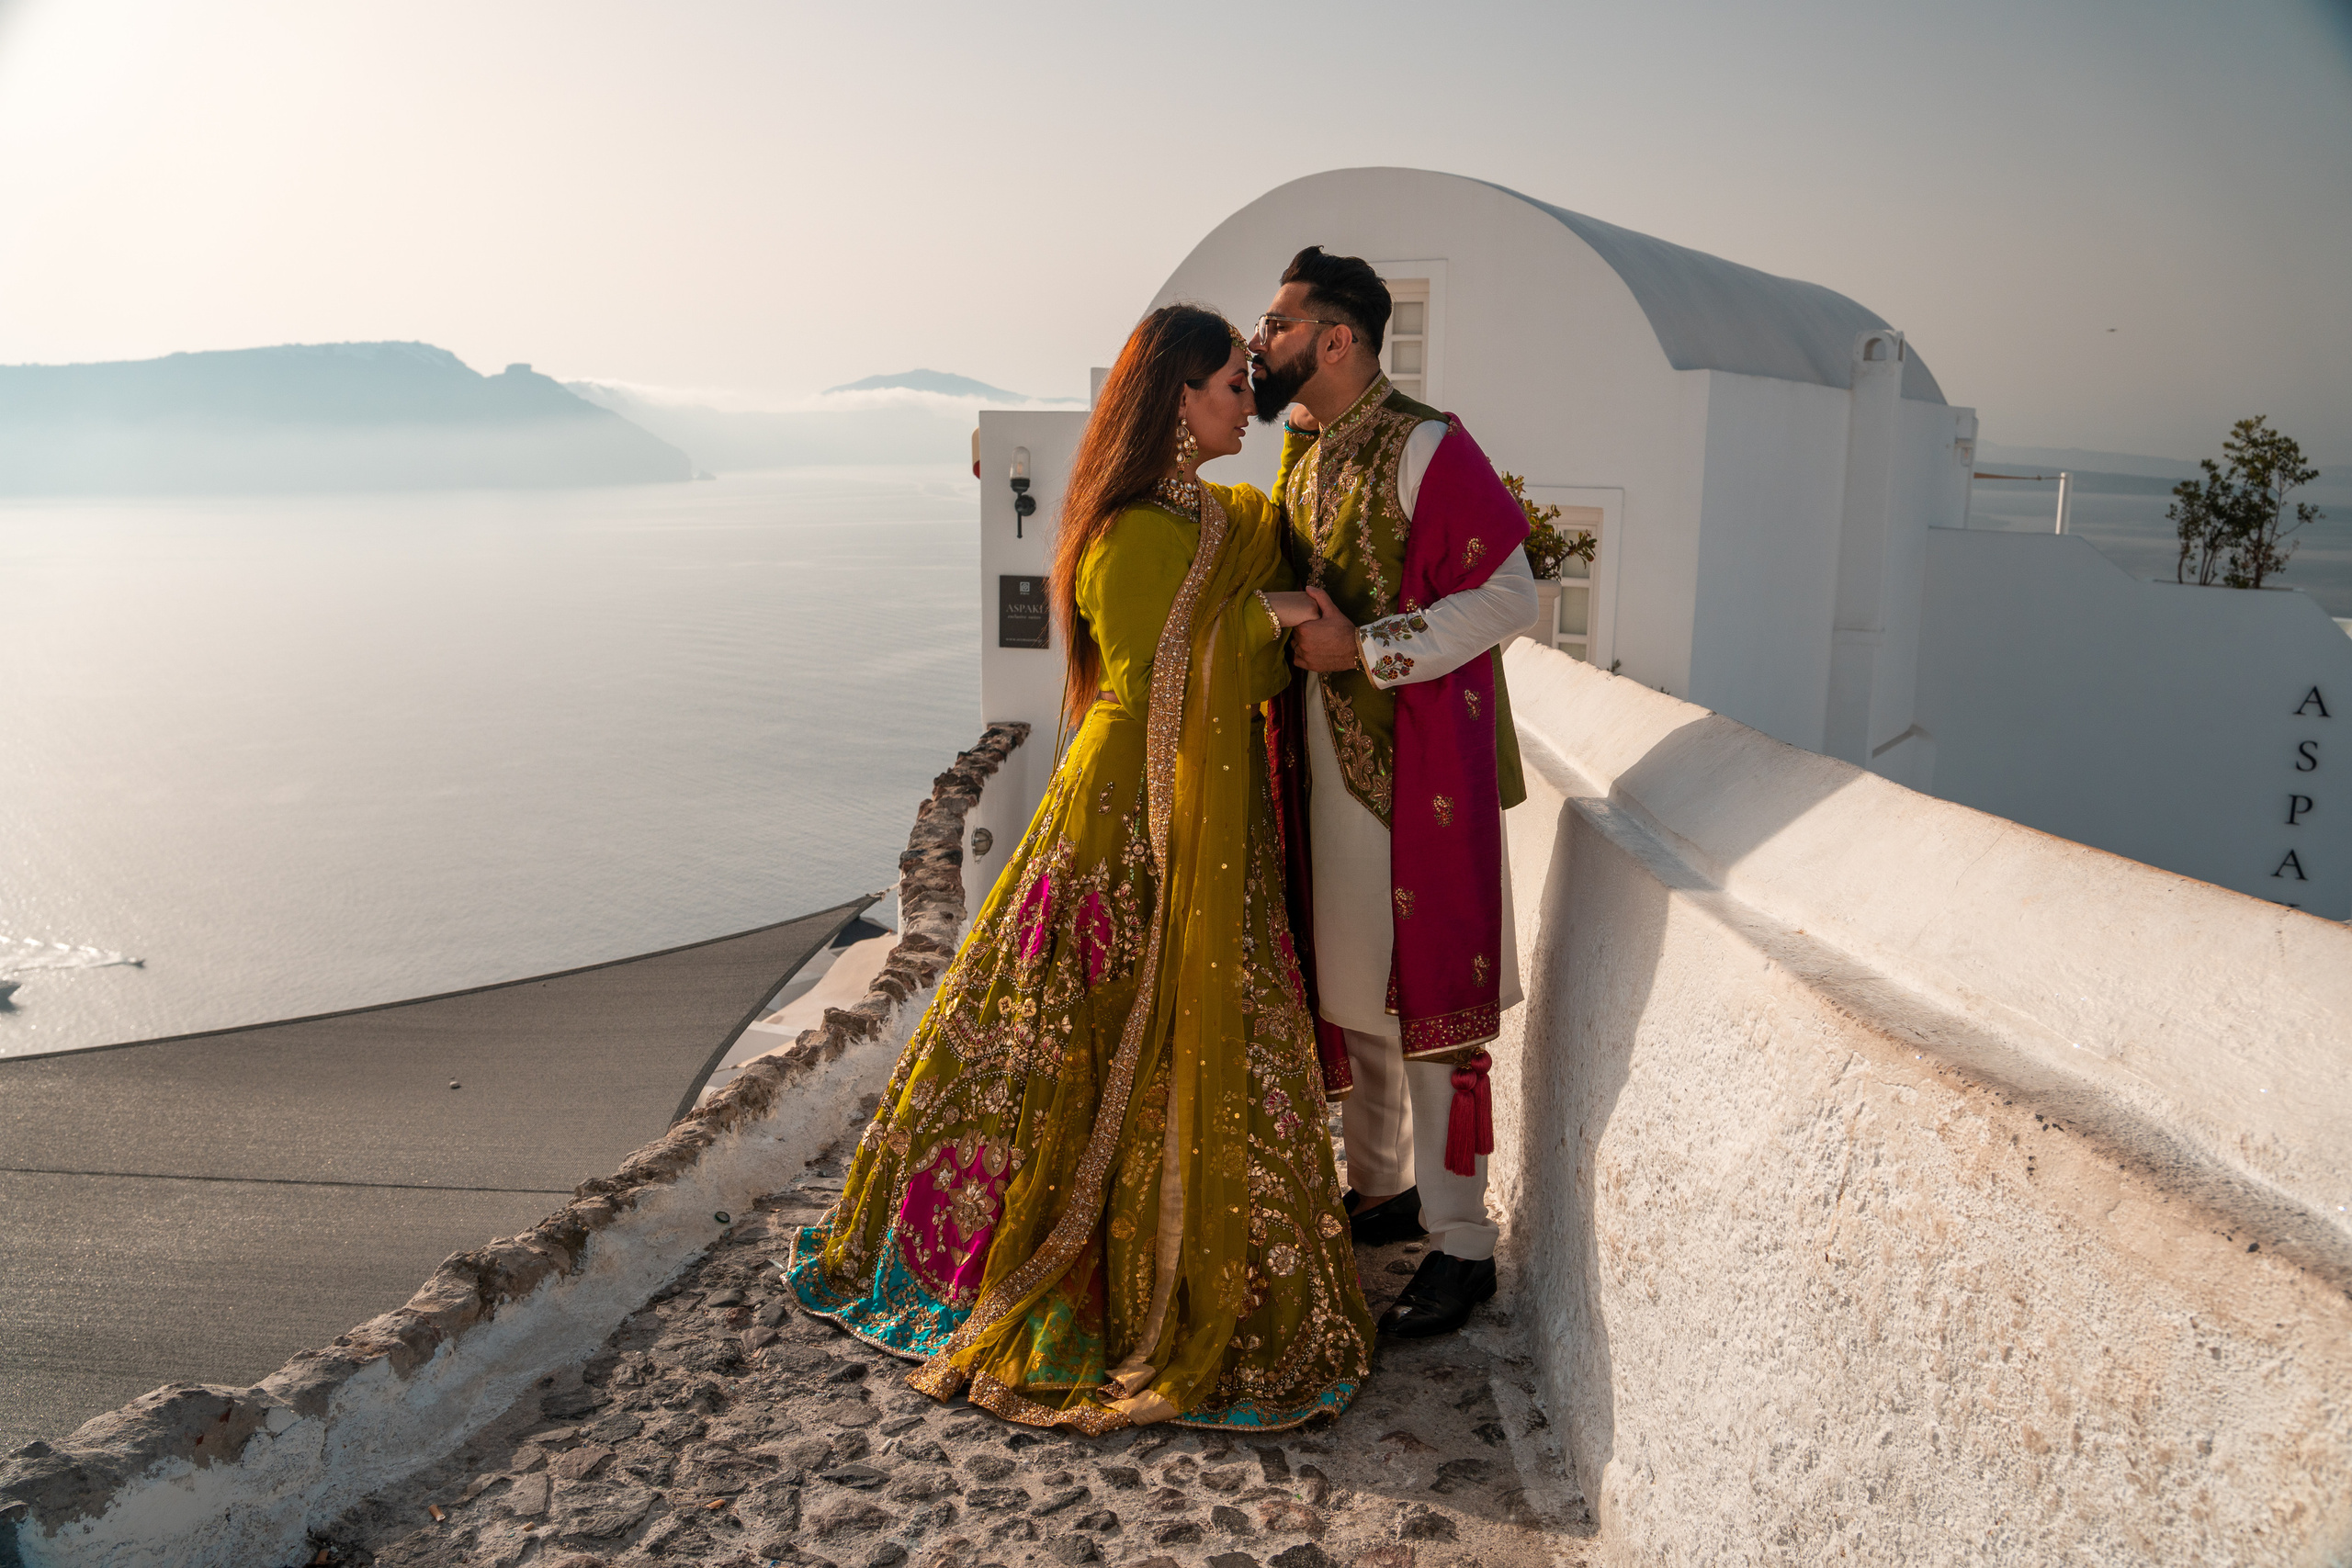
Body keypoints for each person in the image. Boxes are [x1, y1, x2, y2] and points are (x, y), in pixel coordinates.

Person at [786, 305, 1375, 1433]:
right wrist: (1279, 616)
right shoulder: (1125, 532)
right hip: (1120, 814)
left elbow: (1270, 554)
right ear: (1176, 401)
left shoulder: (1218, 515)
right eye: (1232, 386)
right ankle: (1064, 1265)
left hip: (1207, 811)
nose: (1248, 405)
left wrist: (1300, 511)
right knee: (1072, 1034)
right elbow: (1166, 676)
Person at [1250, 246, 1539, 1339]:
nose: (1260, 344)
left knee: (1425, 1005)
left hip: (1416, 768)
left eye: (1277, 326)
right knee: (1353, 987)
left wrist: (1364, 650)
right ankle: (1381, 1189)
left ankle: (1463, 1245)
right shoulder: (1305, 451)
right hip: (1323, 762)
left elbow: (1507, 595)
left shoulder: (1426, 443)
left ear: (1337, 340)